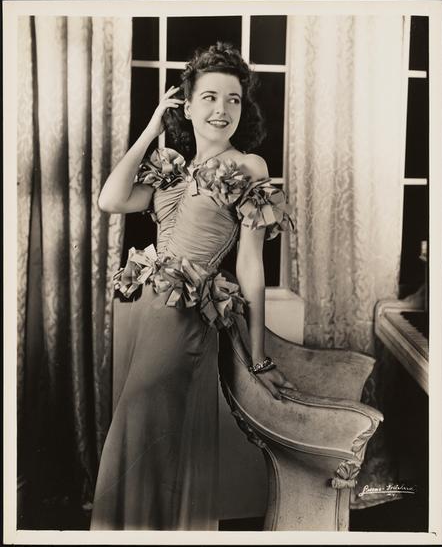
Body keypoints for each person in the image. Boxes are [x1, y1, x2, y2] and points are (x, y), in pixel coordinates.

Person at [90, 41, 295, 531]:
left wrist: (259, 356)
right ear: (186, 105)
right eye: (209, 97)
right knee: (147, 430)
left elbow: (250, 264)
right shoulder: (172, 171)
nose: (222, 109)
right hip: (150, 312)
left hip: (185, 320)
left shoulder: (249, 166)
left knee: (143, 426)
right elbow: (110, 199)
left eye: (233, 99)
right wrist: (151, 127)